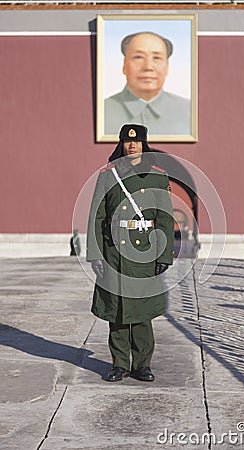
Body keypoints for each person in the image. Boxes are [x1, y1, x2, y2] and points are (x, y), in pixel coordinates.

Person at [86, 124, 174, 382]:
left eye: (137, 142)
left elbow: (165, 218)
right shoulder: (108, 176)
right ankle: (120, 364)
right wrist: (95, 255)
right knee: (117, 312)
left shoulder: (157, 176)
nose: (132, 145)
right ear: (121, 144)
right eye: (127, 141)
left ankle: (143, 364)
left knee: (142, 312)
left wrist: (164, 255)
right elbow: (96, 216)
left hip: (143, 254)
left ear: (144, 145)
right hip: (114, 253)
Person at [104, 32, 191, 135]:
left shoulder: (190, 111)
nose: (148, 67)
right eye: (138, 57)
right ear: (124, 65)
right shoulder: (102, 111)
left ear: (167, 67)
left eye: (157, 58)